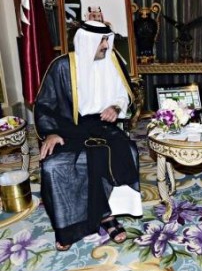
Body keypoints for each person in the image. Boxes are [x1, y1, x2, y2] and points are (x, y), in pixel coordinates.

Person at [34, 20, 141, 251]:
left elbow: (125, 95)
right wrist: (51, 132)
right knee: (54, 165)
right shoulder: (62, 66)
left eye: (107, 39)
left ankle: (107, 215)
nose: (106, 45)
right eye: (102, 41)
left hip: (101, 125)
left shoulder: (113, 62)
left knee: (124, 152)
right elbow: (45, 104)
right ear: (87, 41)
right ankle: (68, 227)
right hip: (67, 127)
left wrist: (115, 107)